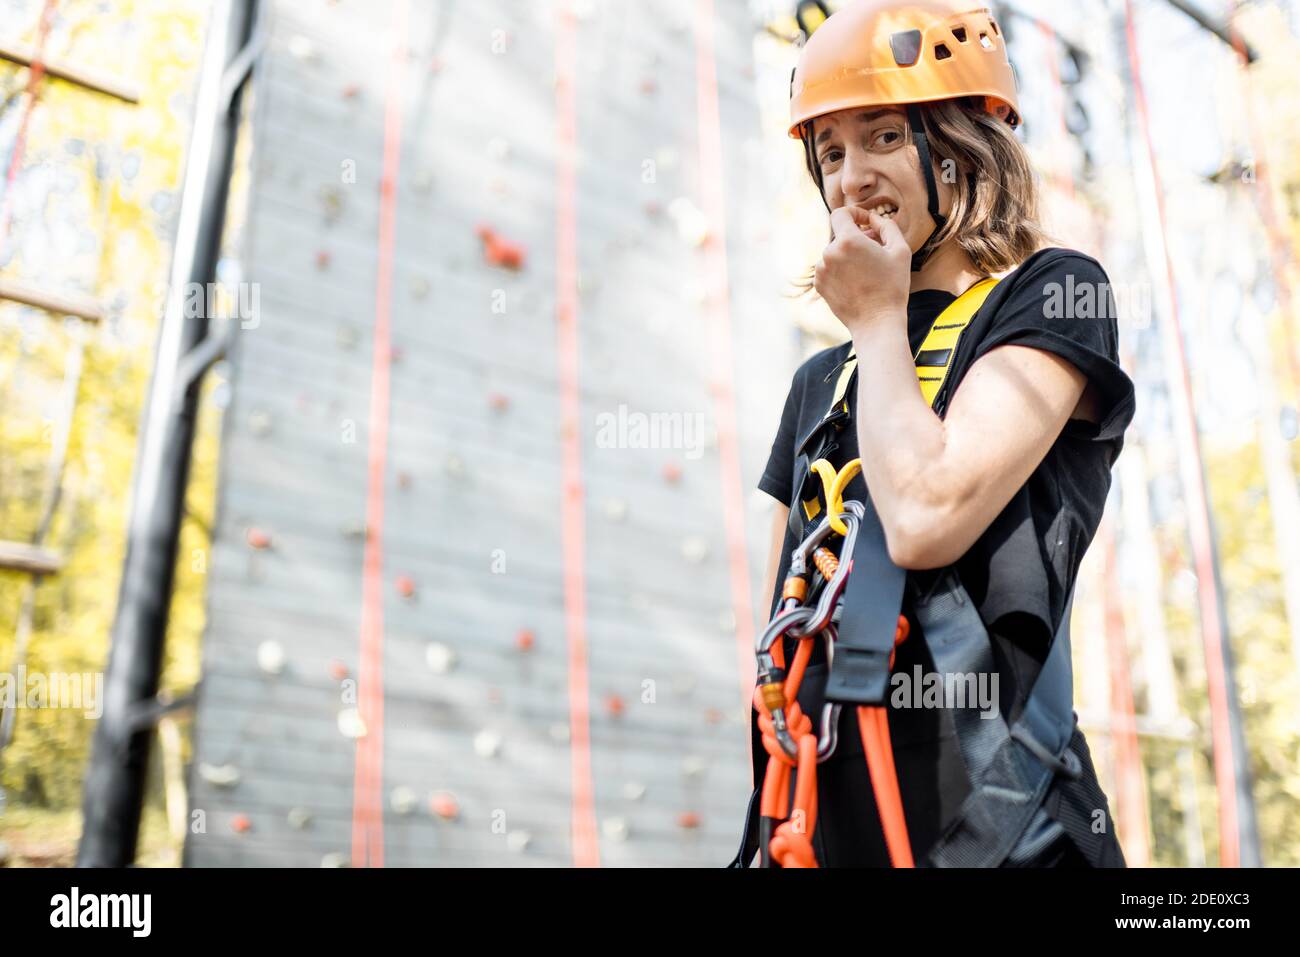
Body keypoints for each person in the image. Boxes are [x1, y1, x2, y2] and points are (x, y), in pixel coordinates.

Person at [739, 0, 1136, 867]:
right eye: (831, 151)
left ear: (959, 147)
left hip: (998, 821)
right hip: (823, 816)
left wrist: (879, 321)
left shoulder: (1050, 297)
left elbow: (923, 517)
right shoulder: (820, 383)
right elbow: (775, 634)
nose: (852, 177)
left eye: (883, 135)